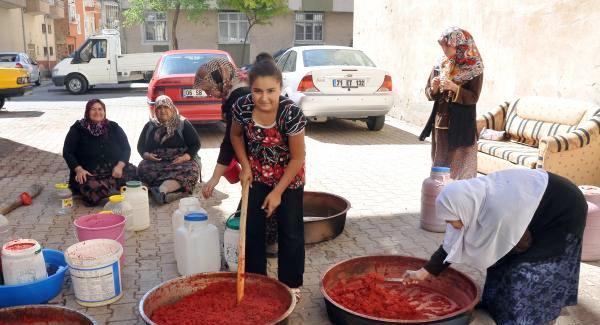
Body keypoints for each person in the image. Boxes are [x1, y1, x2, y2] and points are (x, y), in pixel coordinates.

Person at [403, 169, 587, 325]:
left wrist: (511, 255)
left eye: (453, 220)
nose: (453, 225)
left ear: (463, 209)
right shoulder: (470, 200)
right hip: (534, 205)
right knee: (500, 262)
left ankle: (529, 317)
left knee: (527, 270)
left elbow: (522, 243)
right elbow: (452, 244)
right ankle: (496, 307)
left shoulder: (497, 211)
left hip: (564, 210)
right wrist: (423, 272)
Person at [230, 53, 306, 298]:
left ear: (280, 88)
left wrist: (277, 193)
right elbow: (235, 136)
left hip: (289, 179)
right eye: (257, 91)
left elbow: (297, 158)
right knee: (252, 229)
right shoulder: (242, 106)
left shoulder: (291, 114)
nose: (264, 98)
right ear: (250, 89)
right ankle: (256, 281)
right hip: (256, 176)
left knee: (290, 232)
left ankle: (291, 285)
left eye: (271, 91)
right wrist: (245, 165)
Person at [194, 55, 279, 253]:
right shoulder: (242, 88)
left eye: (208, 89)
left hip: (267, 161)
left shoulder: (238, 98)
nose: (208, 95)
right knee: (255, 204)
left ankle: (262, 246)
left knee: (259, 204)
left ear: (219, 79)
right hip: (266, 160)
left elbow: (230, 142)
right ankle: (262, 243)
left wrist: (214, 178)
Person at [419, 27, 484, 180]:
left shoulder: (474, 68)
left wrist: (455, 88)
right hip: (440, 124)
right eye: (442, 45)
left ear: (460, 45)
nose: (443, 49)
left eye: (447, 45)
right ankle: (439, 199)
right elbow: (428, 91)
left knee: (461, 171)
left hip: (462, 126)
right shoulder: (440, 64)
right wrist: (433, 89)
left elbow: (473, 97)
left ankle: (462, 201)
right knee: (439, 166)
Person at [62, 99, 137, 206]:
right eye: (93, 109)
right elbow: (67, 152)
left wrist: (120, 166)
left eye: (100, 109)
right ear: (87, 112)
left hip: (113, 171)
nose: (97, 112)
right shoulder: (77, 129)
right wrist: (78, 169)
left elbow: (126, 148)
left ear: (104, 111)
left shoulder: (114, 127)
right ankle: (113, 192)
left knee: (133, 173)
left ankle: (108, 192)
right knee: (88, 183)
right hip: (90, 173)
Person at [137, 95, 201, 204]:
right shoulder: (150, 126)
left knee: (191, 170)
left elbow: (195, 144)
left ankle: (162, 190)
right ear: (155, 110)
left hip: (180, 162)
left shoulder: (182, 123)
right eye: (159, 108)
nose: (162, 111)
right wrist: (147, 155)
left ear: (171, 108)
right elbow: (140, 146)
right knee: (142, 168)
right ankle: (171, 192)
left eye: (165, 107)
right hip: (156, 163)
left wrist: (185, 157)